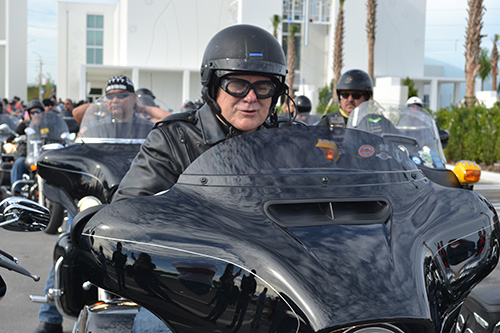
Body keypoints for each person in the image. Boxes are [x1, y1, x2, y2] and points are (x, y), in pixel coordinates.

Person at [112, 24, 287, 202]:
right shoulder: (173, 139)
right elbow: (128, 209)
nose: (251, 97)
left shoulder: (284, 139)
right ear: (213, 88)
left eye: (263, 87)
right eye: (237, 85)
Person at [72, 76, 171, 125]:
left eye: (122, 95)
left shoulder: (144, 125)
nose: (115, 100)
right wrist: (103, 105)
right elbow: (77, 113)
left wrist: (142, 108)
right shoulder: (100, 125)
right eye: (110, 96)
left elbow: (171, 120)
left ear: (134, 98)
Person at [9, 100, 44, 194]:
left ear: (42, 113)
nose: (36, 114)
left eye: (38, 112)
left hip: (44, 157)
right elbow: (12, 136)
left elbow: (58, 134)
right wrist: (17, 139)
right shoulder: (24, 125)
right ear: (29, 114)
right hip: (28, 156)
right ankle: (16, 191)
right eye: (33, 112)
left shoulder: (48, 126)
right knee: (19, 163)